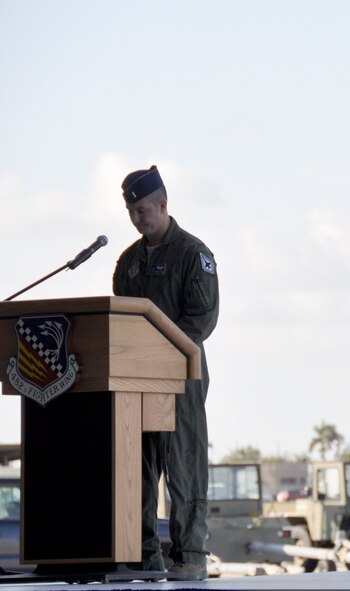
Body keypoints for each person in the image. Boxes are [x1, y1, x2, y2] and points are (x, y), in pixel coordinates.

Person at [113, 165, 219, 580]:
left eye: (144, 210)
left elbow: (203, 319)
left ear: (163, 205)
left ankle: (190, 555)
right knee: (138, 466)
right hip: (136, 379)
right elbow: (120, 318)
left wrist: (164, 353)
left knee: (184, 464)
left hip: (180, 375)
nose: (139, 220)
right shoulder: (128, 261)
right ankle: (141, 555)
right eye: (132, 213)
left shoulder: (193, 254)